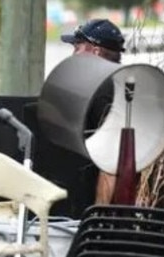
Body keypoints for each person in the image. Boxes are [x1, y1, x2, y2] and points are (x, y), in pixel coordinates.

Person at [61, 19, 126, 204]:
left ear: (95, 52)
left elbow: (111, 159)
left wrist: (98, 220)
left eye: (77, 47)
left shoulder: (104, 88)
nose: (73, 55)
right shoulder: (123, 81)